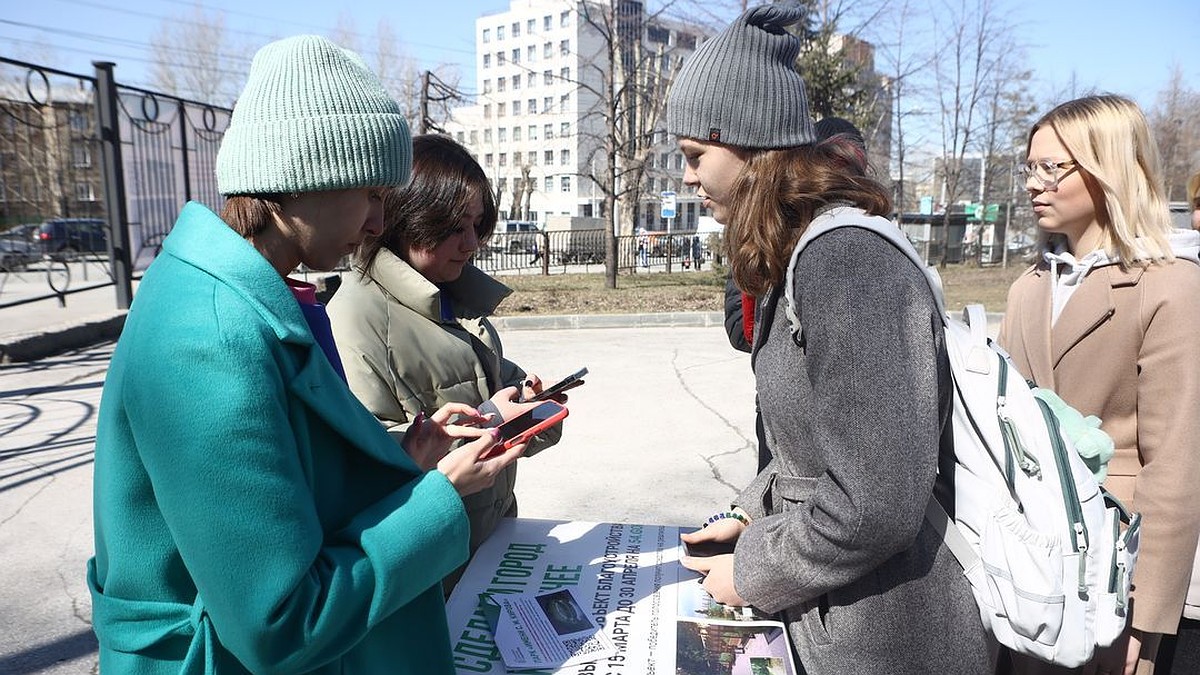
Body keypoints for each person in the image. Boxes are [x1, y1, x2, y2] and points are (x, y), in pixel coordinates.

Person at [86, 35, 523, 675]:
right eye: (371, 193)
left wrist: (396, 462)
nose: (380, 223)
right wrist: (438, 500)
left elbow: (282, 492)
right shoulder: (206, 339)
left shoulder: (250, 296)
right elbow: (281, 622)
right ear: (294, 183)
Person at [668, 6, 995, 674]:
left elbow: (876, 502)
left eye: (696, 156)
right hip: (842, 617)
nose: (687, 177)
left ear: (748, 141)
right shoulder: (803, 253)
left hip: (893, 637)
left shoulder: (845, 259)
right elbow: (811, 447)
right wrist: (748, 510)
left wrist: (753, 571)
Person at [998, 95, 1200, 675]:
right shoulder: (1028, 288)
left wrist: (1147, 620)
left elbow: (1175, 468)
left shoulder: (1169, 288)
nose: (1034, 184)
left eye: (1052, 168)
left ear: (1108, 168)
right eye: (1029, 167)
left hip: (1119, 569)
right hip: (1034, 569)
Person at [328, 133, 564, 593]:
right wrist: (493, 426)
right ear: (407, 217)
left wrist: (532, 404)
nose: (471, 243)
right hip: (434, 567)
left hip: (487, 540)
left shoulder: (452, 296)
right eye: (455, 226)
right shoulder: (358, 315)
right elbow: (368, 460)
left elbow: (493, 384)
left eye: (477, 225)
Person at [722, 115, 870, 473]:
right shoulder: (768, 238)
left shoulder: (863, 245)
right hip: (780, 428)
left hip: (837, 451)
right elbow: (739, 325)